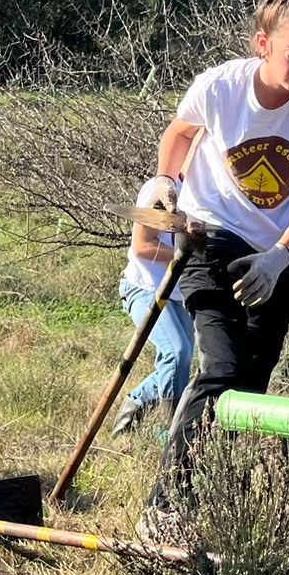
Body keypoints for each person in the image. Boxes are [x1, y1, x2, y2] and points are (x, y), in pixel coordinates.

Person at [138, 0, 289, 539]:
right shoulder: (221, 87)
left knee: (251, 390)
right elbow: (179, 134)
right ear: (262, 43)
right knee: (221, 368)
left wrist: (280, 256)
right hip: (208, 237)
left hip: (274, 254)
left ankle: (216, 498)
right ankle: (165, 510)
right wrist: (166, 181)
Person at [108, 173, 197, 437]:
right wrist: (190, 254)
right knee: (176, 352)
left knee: (181, 363)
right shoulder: (162, 190)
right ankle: (169, 430)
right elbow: (142, 247)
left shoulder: (208, 192)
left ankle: (134, 406)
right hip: (145, 287)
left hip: (179, 294)